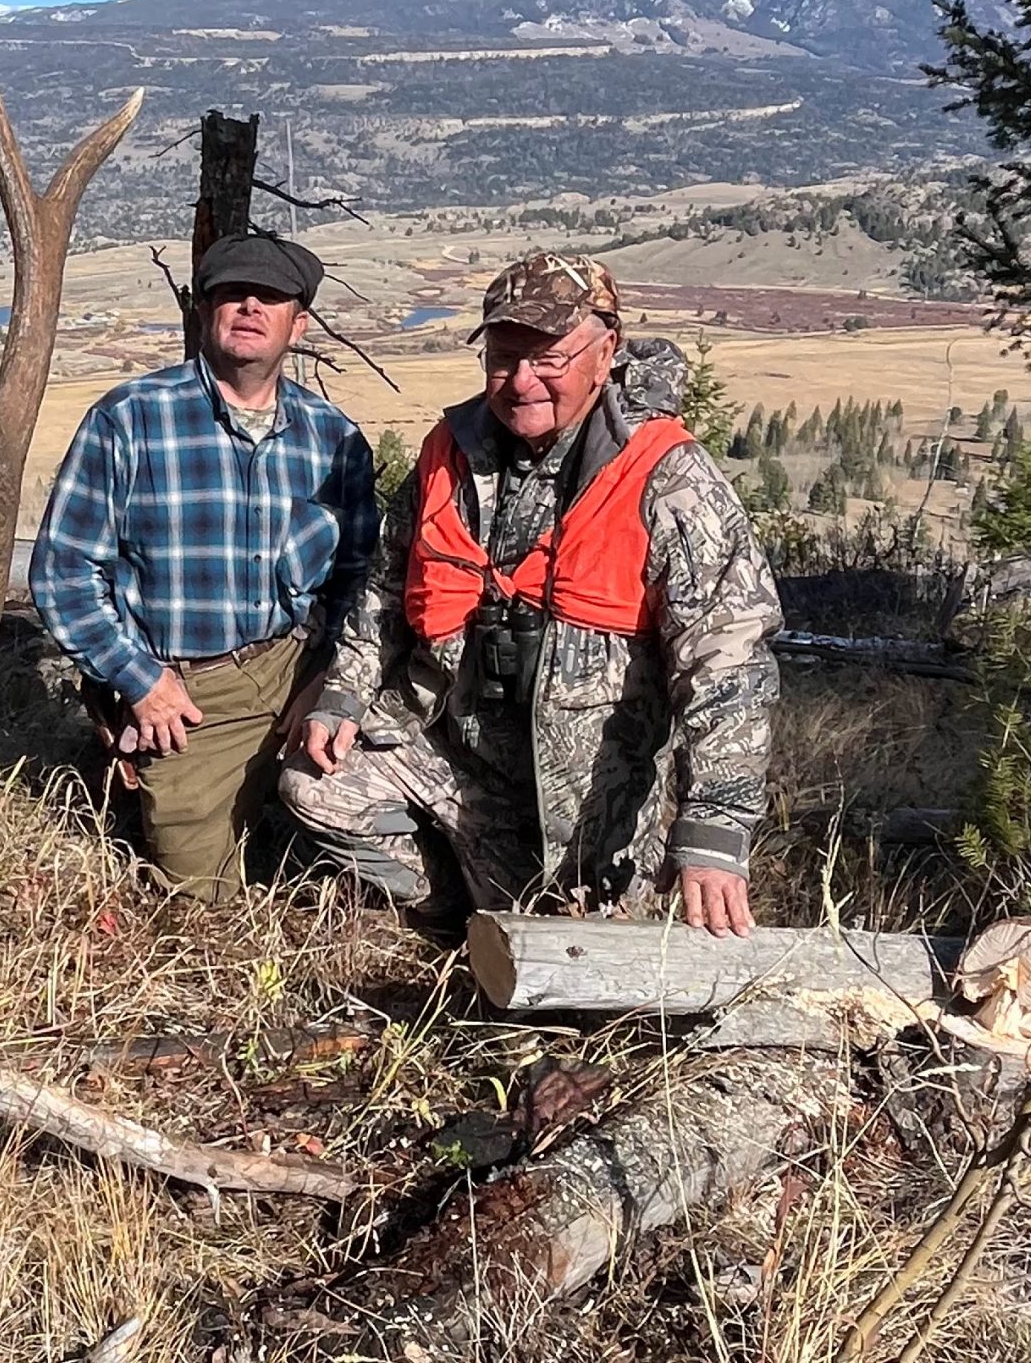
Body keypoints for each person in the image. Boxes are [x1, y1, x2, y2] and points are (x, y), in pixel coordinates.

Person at [280, 253, 779, 936]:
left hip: (588, 804)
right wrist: (342, 692)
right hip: (452, 754)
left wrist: (716, 827)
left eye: (548, 359)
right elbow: (385, 589)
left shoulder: (670, 476)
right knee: (315, 784)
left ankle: (515, 909)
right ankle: (451, 912)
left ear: (605, 354)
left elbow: (730, 662)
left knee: (591, 959)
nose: (520, 382)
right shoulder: (450, 452)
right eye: (503, 357)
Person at [30, 230, 379, 903]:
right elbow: (63, 573)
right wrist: (140, 682)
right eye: (231, 294)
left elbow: (358, 579)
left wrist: (330, 681)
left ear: (297, 323)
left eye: (270, 297)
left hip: (296, 663)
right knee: (199, 900)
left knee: (358, 846)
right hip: (188, 692)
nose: (250, 306)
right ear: (205, 312)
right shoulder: (132, 419)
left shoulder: (333, 437)